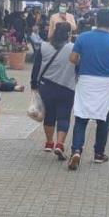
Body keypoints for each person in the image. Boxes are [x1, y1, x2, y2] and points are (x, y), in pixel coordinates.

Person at [68, 9, 109, 170]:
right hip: (105, 85)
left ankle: (77, 150)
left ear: (95, 21)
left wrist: (85, 60)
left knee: (81, 118)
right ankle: (99, 154)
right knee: (103, 120)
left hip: (85, 81)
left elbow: (72, 59)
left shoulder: (83, 37)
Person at [31, 22, 77, 158]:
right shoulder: (74, 48)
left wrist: (33, 84)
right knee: (64, 115)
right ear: (68, 34)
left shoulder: (44, 46)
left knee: (49, 115)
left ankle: (49, 142)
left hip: (46, 87)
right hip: (67, 87)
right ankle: (60, 144)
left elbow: (36, 67)